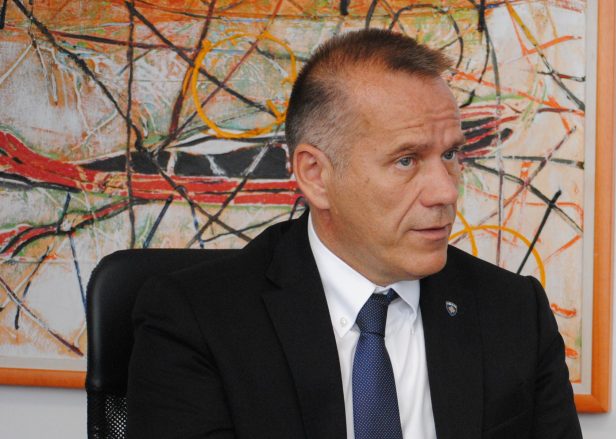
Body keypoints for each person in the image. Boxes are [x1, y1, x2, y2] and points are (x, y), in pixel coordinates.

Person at [127, 29, 582, 439]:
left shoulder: (514, 313)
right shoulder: (196, 321)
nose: (446, 191)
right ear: (316, 175)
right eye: (406, 160)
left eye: (450, 155)